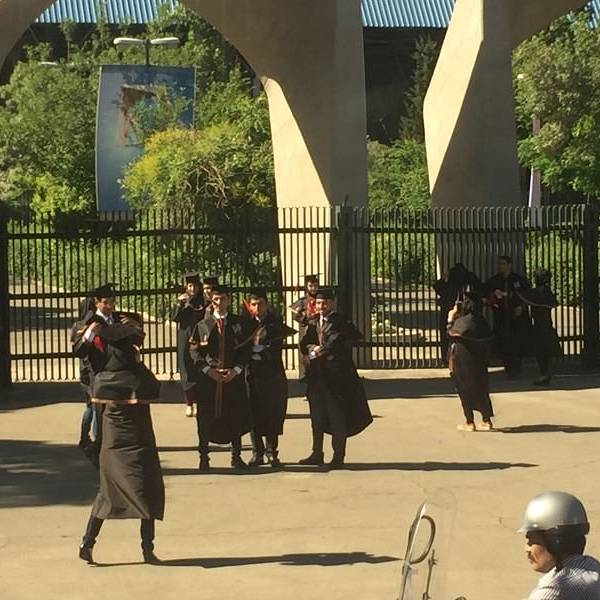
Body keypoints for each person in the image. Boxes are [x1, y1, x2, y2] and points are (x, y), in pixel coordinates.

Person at [73, 284, 164, 565]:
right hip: (114, 411)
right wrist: (92, 332)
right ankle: (90, 542)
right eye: (105, 302)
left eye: (112, 301)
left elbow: (138, 339)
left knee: (140, 477)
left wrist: (131, 327)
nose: (110, 306)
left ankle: (145, 547)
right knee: (117, 480)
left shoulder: (126, 321)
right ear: (96, 302)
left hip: (130, 407)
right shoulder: (86, 325)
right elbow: (79, 351)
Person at [299, 289, 373, 469]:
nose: (321, 306)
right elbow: (304, 343)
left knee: (337, 417)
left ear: (332, 303)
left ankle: (338, 456)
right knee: (317, 417)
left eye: (325, 302)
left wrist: (325, 349)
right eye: (318, 303)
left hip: (337, 378)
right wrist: (311, 349)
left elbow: (346, 340)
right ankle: (317, 453)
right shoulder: (312, 322)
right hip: (317, 377)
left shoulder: (341, 322)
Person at [189, 285, 253, 471]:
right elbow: (195, 352)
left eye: (222, 299)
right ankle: (204, 457)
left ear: (229, 301)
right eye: (215, 299)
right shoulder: (203, 325)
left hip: (232, 378)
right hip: (209, 380)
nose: (219, 303)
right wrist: (208, 370)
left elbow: (245, 351)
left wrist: (236, 370)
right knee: (205, 417)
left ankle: (236, 456)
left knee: (235, 416)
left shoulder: (239, 324)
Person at [243, 289, 296, 468]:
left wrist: (263, 351)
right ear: (249, 306)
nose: (257, 308)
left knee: (273, 413)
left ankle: (272, 452)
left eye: (261, 304)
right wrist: (250, 353)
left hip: (272, 374)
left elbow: (276, 345)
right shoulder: (245, 324)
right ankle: (257, 453)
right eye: (254, 304)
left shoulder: (275, 323)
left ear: (267, 304)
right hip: (251, 374)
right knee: (253, 413)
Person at [520, 491, 600, 599]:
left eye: (531, 540)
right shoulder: (591, 566)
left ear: (555, 542)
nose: (526, 548)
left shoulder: (553, 591)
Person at [447, 292, 495, 432]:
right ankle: (486, 420)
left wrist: (450, 318)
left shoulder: (462, 322)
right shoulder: (482, 321)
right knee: (482, 390)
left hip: (463, 362)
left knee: (464, 390)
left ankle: (469, 422)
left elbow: (450, 333)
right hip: (480, 362)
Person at [484, 256, 532, 378]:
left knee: (517, 342)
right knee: (503, 343)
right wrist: (492, 298)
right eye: (499, 264)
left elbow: (527, 294)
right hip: (501, 317)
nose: (500, 266)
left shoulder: (518, 280)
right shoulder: (495, 280)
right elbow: (486, 293)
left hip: (516, 318)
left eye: (503, 264)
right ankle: (509, 369)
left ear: (509, 265)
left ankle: (517, 368)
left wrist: (521, 306)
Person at [518, 269, 562, 386]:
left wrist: (518, 287)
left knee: (541, 350)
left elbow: (523, 296)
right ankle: (545, 373)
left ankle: (544, 374)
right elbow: (553, 303)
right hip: (547, 324)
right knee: (545, 349)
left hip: (539, 325)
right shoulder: (547, 291)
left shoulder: (538, 292)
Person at [172, 272, 207, 417]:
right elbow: (175, 318)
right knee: (186, 368)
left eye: (195, 286)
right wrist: (179, 304)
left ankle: (199, 403)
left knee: (199, 367)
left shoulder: (203, 302)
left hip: (199, 336)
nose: (193, 289)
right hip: (184, 336)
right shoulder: (182, 301)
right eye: (190, 286)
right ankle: (189, 404)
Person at [433, 263, 482, 363]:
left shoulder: (450, 282)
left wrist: (443, 278)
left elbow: (437, 287)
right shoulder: (468, 281)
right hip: (463, 315)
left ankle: (446, 358)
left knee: (446, 336)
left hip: (447, 312)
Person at [71, 295, 99, 456]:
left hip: (83, 369)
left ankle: (84, 437)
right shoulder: (94, 325)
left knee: (90, 406)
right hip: (91, 370)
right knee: (96, 407)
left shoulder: (77, 325)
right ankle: (96, 437)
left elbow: (74, 343)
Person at [290, 274, 319, 380]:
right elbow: (294, 314)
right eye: (311, 286)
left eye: (315, 285)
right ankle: (304, 375)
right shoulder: (302, 301)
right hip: (306, 330)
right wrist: (304, 319)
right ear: (306, 286)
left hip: (319, 330)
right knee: (305, 352)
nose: (313, 288)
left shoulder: (321, 299)